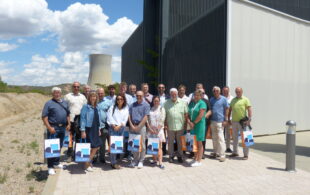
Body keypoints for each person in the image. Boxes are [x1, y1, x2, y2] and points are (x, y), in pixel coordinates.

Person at [42, 87, 70, 175]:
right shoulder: (48, 103)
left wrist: (69, 124)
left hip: (63, 128)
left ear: (61, 94)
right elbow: (44, 117)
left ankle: (56, 163)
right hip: (53, 128)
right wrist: (49, 127)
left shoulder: (65, 103)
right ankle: (50, 166)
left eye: (58, 93)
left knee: (59, 146)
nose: (57, 94)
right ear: (52, 94)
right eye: (55, 93)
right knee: (52, 148)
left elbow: (68, 114)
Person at [80, 91, 104, 172]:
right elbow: (82, 119)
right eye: (91, 96)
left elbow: (99, 119)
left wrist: (99, 129)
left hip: (96, 129)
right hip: (88, 129)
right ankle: (87, 164)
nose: (93, 98)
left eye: (94, 96)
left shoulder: (97, 107)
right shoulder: (85, 107)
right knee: (91, 146)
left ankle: (87, 162)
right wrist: (83, 131)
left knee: (96, 146)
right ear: (89, 98)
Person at [64, 82, 87, 162]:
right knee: (70, 139)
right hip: (70, 120)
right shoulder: (67, 96)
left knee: (78, 138)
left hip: (79, 121)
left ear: (79, 88)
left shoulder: (83, 97)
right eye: (74, 86)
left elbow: (85, 109)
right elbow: (65, 109)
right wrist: (67, 122)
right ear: (72, 87)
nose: (76, 88)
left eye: (77, 87)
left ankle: (77, 154)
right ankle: (69, 155)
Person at [164, 88, 188, 163]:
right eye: (172, 94)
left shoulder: (183, 102)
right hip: (170, 126)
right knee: (170, 142)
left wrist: (185, 125)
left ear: (177, 94)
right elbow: (164, 115)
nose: (174, 95)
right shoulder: (166, 103)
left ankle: (180, 156)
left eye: (175, 94)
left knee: (180, 142)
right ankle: (171, 156)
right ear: (170, 94)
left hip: (180, 126)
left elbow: (186, 114)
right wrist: (165, 125)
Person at [228, 87, 252, 160]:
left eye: (239, 92)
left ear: (242, 92)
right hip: (234, 122)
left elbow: (249, 109)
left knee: (246, 138)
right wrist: (228, 118)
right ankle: (235, 152)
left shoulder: (245, 99)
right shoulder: (233, 100)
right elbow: (230, 110)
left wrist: (249, 119)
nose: (238, 93)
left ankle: (246, 155)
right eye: (236, 92)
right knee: (235, 138)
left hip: (243, 122)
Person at [128, 91, 150, 168]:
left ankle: (141, 161)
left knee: (142, 145)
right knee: (134, 144)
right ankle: (135, 160)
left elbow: (146, 117)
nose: (138, 97)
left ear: (143, 96)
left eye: (140, 95)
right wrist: (131, 126)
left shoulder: (146, 105)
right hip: (132, 126)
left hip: (142, 127)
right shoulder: (132, 105)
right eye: (137, 95)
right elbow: (129, 116)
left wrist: (138, 126)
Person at [107, 94, 129, 169]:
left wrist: (119, 126)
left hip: (121, 128)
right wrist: (114, 126)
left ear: (124, 100)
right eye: (118, 99)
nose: (119, 101)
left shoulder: (126, 108)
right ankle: (113, 163)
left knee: (118, 146)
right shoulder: (112, 107)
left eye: (121, 99)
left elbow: (125, 119)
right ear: (116, 100)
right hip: (113, 128)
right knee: (113, 146)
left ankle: (114, 161)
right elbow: (109, 117)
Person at [209, 86, 229, 162]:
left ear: (219, 91)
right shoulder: (211, 99)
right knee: (214, 138)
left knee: (221, 138)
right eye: (214, 91)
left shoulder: (224, 99)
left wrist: (226, 119)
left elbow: (227, 109)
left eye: (217, 90)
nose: (215, 92)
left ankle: (222, 155)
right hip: (213, 121)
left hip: (220, 121)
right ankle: (215, 152)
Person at [187, 90, 207, 167]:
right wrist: (189, 122)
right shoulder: (192, 103)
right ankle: (195, 158)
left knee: (199, 143)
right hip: (192, 125)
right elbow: (188, 113)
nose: (196, 96)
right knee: (194, 143)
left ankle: (199, 160)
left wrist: (193, 123)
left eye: (198, 95)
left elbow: (201, 115)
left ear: (200, 96)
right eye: (195, 95)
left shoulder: (202, 103)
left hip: (199, 125)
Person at [147, 96, 166, 169]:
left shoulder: (162, 109)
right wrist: (150, 129)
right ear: (153, 101)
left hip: (159, 130)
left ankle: (160, 162)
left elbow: (162, 120)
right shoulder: (151, 109)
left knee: (159, 147)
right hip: (151, 130)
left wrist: (157, 130)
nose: (156, 102)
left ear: (159, 101)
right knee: (152, 145)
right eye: (155, 101)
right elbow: (148, 120)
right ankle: (154, 160)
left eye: (157, 101)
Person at [97, 88, 112, 164]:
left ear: (104, 93)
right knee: (95, 143)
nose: (100, 94)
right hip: (95, 126)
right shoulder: (94, 101)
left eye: (101, 93)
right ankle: (94, 158)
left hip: (104, 126)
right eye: (99, 93)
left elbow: (112, 113)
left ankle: (102, 158)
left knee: (102, 143)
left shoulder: (108, 102)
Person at [199, 89, 212, 159]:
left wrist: (204, 117)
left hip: (204, 123)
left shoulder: (206, 101)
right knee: (195, 137)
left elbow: (210, 111)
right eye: (200, 93)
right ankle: (193, 152)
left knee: (203, 138)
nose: (202, 94)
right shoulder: (193, 101)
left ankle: (202, 153)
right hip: (195, 123)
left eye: (203, 93)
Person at [222, 86, 234, 153]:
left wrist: (229, 119)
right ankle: (220, 147)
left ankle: (228, 147)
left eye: (226, 90)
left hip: (229, 119)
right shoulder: (220, 98)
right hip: (221, 119)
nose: (225, 92)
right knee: (220, 134)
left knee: (228, 134)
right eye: (224, 91)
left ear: (228, 91)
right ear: (222, 91)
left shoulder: (232, 98)